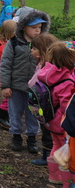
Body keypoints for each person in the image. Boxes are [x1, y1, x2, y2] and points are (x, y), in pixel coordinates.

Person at [0, 9, 50, 153]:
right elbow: (6, 64)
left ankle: (32, 137)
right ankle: (16, 136)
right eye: (34, 28)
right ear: (23, 27)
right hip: (15, 87)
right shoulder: (14, 43)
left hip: (35, 89)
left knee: (33, 114)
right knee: (15, 112)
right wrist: (5, 85)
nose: (37, 31)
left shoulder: (42, 44)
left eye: (40, 28)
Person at [37, 42, 75, 186]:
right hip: (62, 124)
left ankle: (54, 176)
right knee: (67, 156)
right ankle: (67, 182)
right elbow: (67, 106)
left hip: (49, 120)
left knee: (56, 147)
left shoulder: (47, 74)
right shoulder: (67, 81)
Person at [27, 33, 60, 168]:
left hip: (48, 105)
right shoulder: (48, 64)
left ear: (42, 49)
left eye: (34, 48)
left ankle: (48, 157)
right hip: (48, 104)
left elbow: (34, 81)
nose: (31, 50)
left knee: (47, 130)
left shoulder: (46, 66)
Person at [0, 20, 17, 130]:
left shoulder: (2, 43)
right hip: (8, 74)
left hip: (7, 74)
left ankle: (5, 116)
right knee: (10, 96)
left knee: (11, 95)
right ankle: (1, 116)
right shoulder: (5, 46)